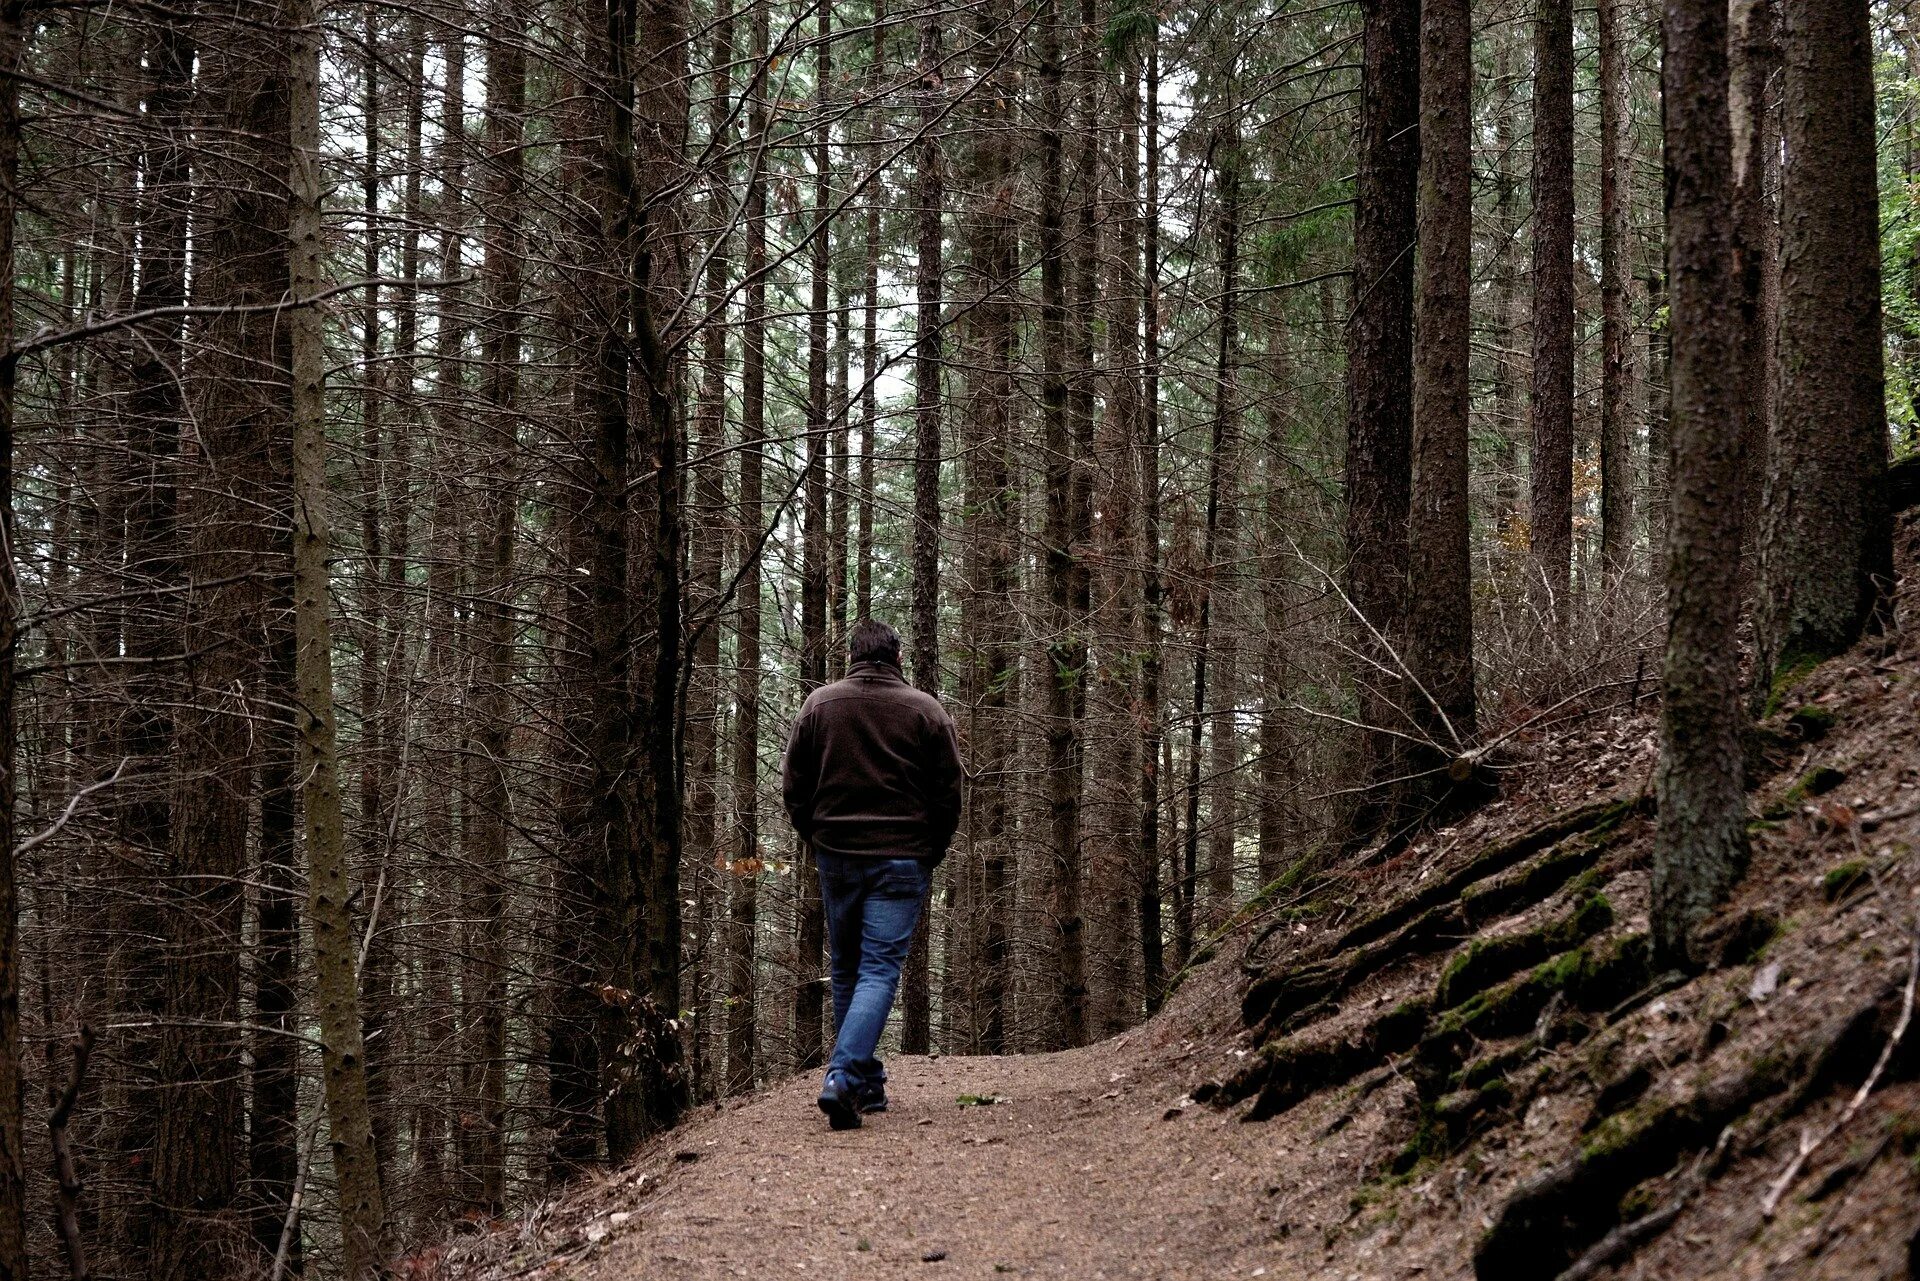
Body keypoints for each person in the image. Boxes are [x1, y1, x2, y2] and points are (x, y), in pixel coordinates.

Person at [781, 618, 964, 1130]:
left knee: (847, 969)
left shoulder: (820, 705)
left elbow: (793, 787)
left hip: (838, 856)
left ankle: (864, 1085)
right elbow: (950, 794)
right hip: (901, 858)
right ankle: (843, 1077)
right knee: (879, 969)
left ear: (853, 656)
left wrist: (817, 838)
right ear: (897, 657)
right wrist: (931, 849)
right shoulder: (926, 710)